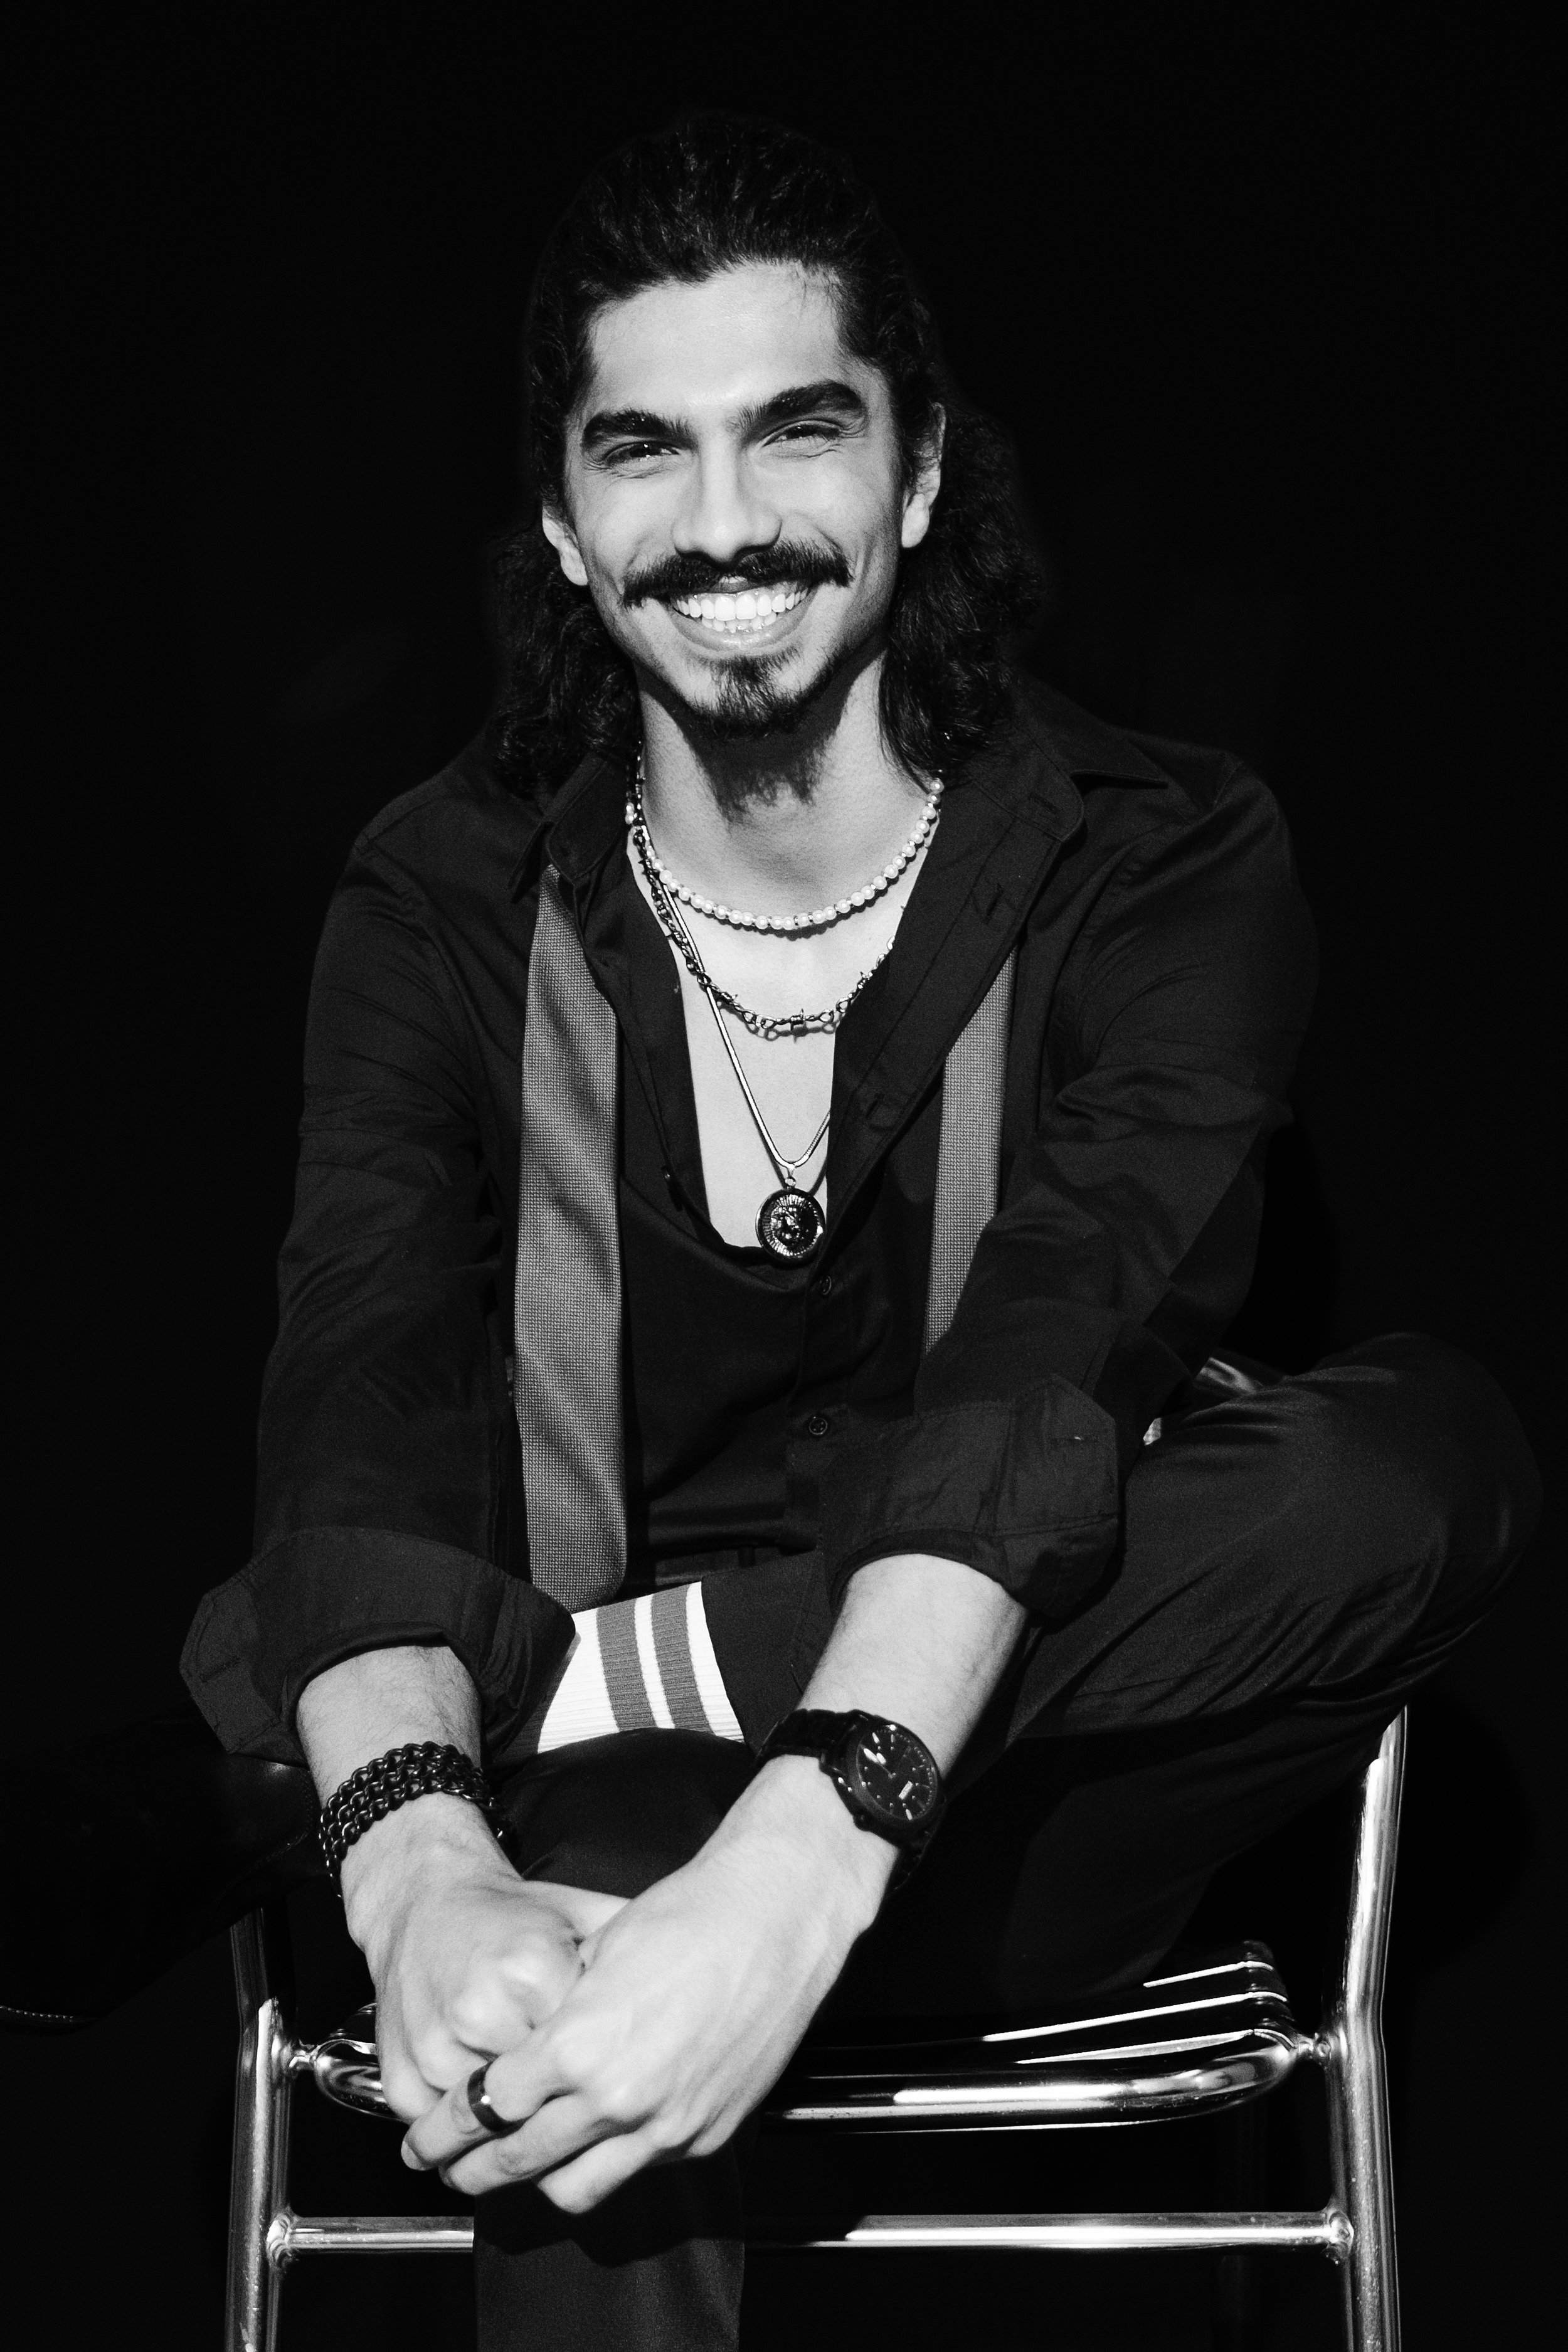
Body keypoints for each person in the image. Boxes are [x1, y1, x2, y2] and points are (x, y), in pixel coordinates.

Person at [181, 114, 1540, 2349]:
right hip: (579, 1810)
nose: (720, 525)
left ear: (916, 477)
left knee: (1408, 1462)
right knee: (581, 1962)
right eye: (646, 452)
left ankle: (666, 1738)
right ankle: (622, 1837)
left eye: (794, 431)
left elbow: (1060, 1334)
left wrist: (807, 1836)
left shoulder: (1154, 856)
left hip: (995, 1792)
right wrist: (420, 1858)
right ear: (563, 516)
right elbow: (367, 1387)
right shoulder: (443, 898)